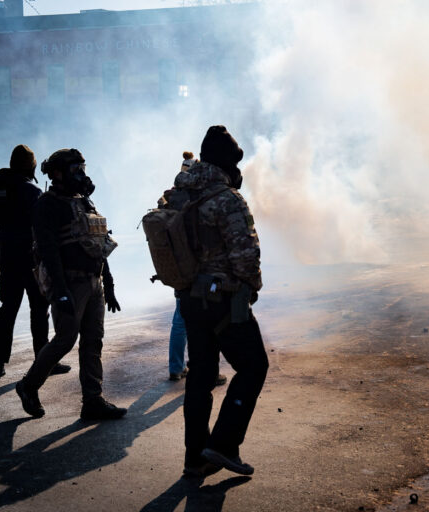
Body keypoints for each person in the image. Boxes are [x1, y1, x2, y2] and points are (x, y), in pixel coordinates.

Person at [173, 126, 268, 478]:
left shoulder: (181, 192)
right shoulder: (226, 199)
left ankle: (194, 457)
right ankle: (224, 444)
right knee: (254, 367)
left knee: (200, 377)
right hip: (223, 300)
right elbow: (245, 255)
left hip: (190, 299)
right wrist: (252, 287)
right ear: (226, 161)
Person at [15, 148, 126, 421]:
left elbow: (98, 243)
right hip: (71, 283)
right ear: (56, 173)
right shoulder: (47, 205)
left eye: (82, 169)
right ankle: (28, 386)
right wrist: (61, 291)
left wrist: (108, 283)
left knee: (93, 342)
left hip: (94, 282)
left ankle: (93, 400)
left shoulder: (84, 201)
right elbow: (48, 251)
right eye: (74, 170)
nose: (81, 175)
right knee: (65, 339)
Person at [0, 144, 70, 380]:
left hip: (8, 257)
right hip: (29, 257)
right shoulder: (31, 191)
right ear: (30, 165)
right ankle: (43, 362)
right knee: (39, 309)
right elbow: (42, 225)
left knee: (8, 309)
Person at [165, 151, 226, 387]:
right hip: (201, 269)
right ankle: (206, 371)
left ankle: (176, 367)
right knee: (208, 321)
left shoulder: (172, 197)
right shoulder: (203, 197)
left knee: (180, 319)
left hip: (179, 269)